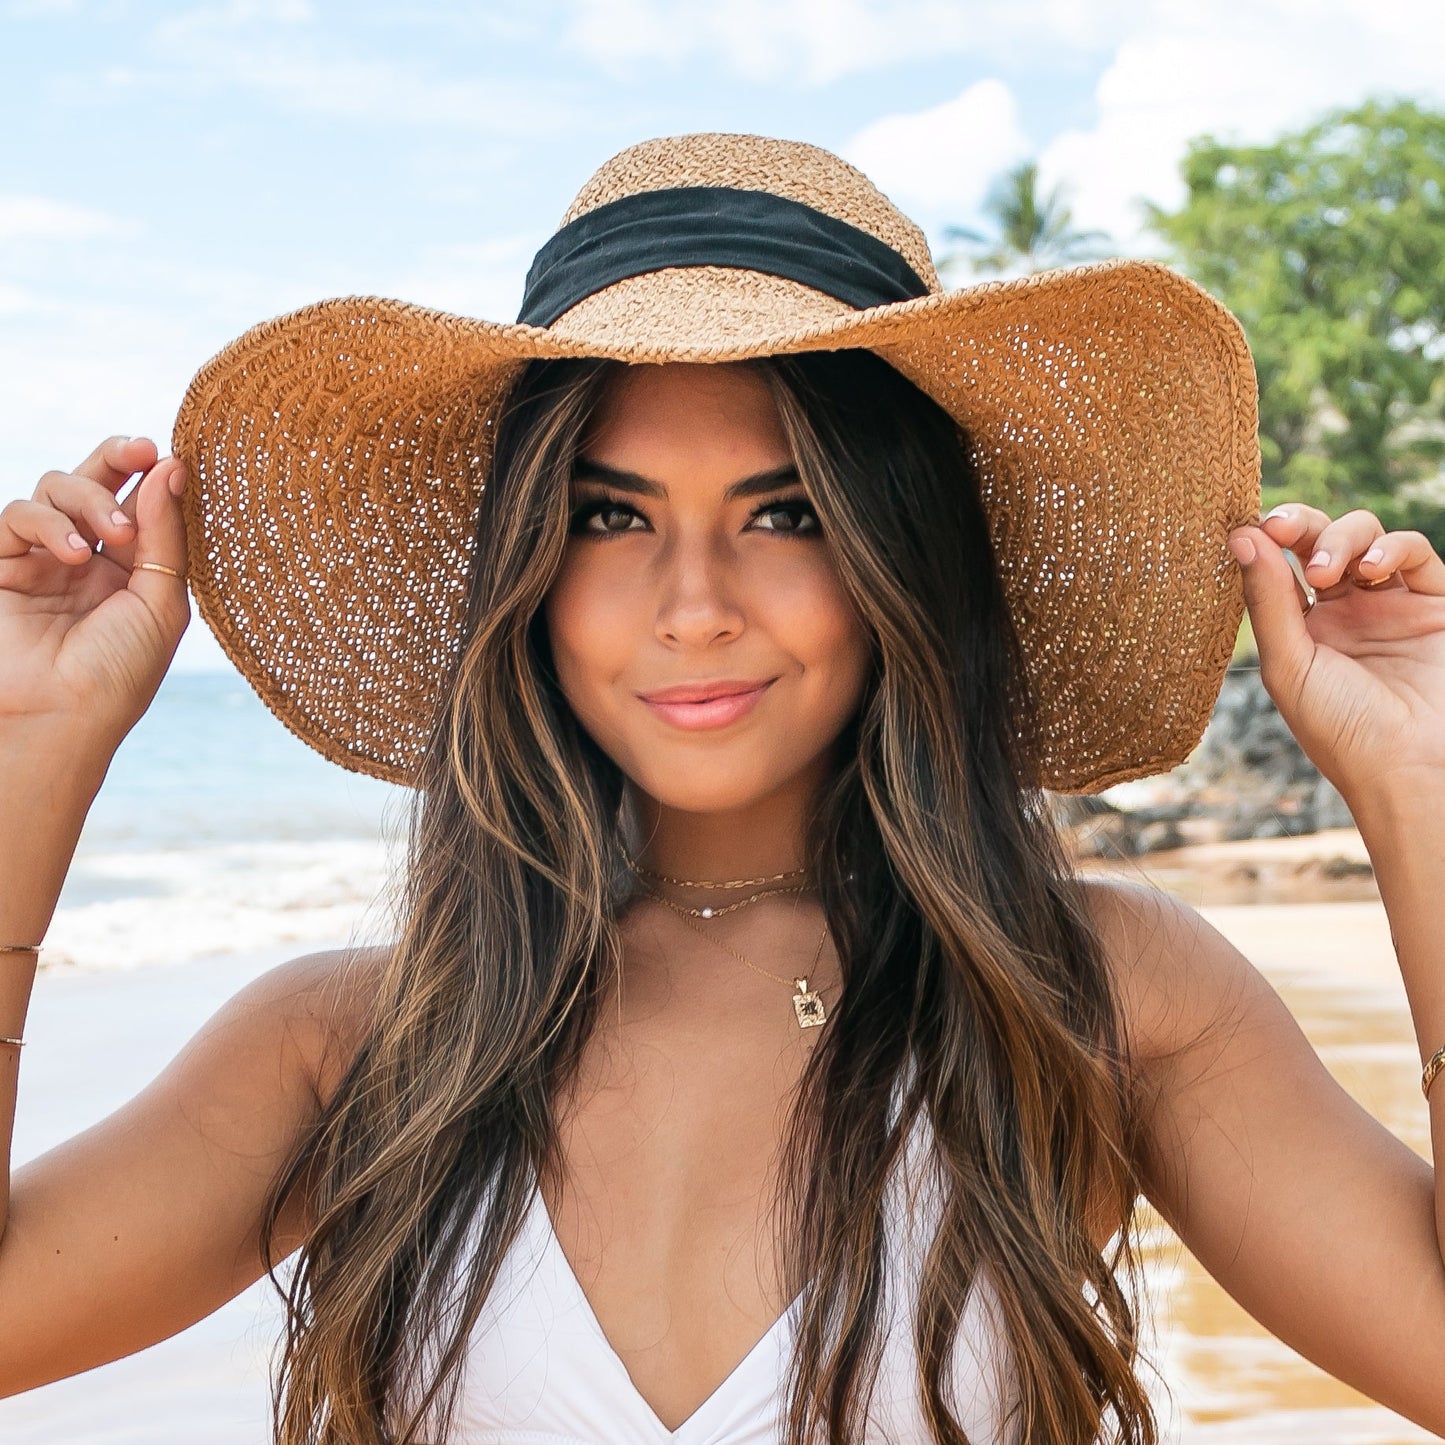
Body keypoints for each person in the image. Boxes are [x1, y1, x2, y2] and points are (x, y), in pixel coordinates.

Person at [1, 131, 1443, 1445]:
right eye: (610, 515)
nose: (692, 605)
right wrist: (34, 743)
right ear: (531, 570)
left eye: (786, 512)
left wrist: (1419, 780)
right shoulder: (352, 1050)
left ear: (898, 554)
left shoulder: (1091, 998)